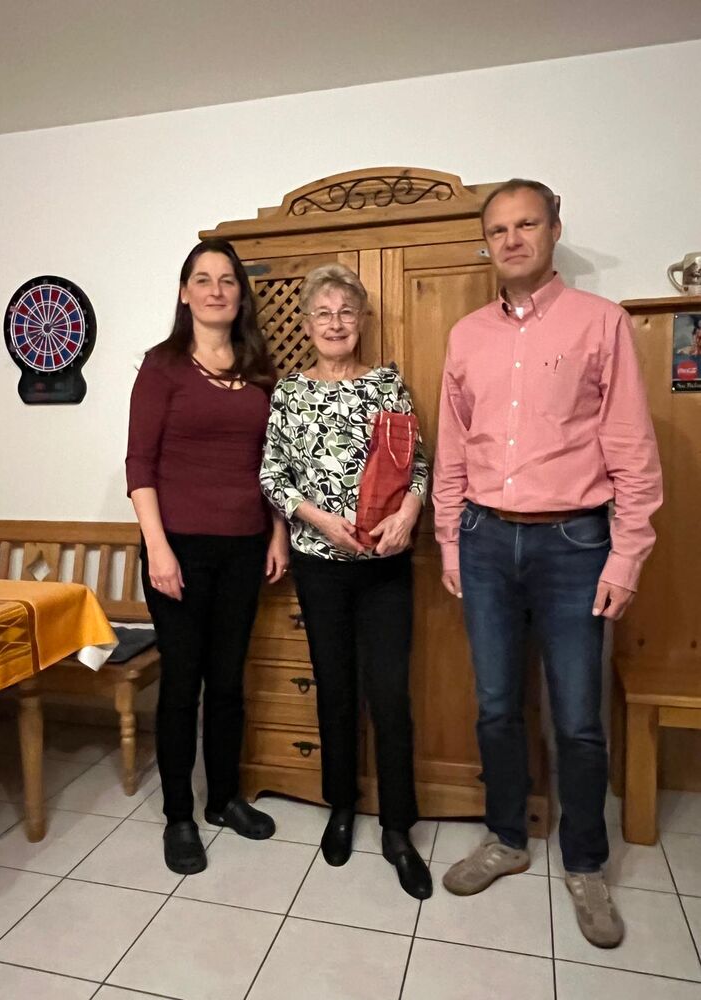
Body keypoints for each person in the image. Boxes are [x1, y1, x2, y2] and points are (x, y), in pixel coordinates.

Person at [433, 179, 662, 947]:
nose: (512, 239)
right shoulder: (466, 336)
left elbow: (631, 446)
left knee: (578, 718)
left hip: (575, 545)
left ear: (554, 229)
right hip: (484, 541)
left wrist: (627, 555)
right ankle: (506, 837)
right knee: (496, 704)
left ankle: (587, 863)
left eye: (526, 223)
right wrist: (449, 538)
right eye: (498, 229)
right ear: (487, 244)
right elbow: (454, 448)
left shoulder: (602, 323)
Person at [260, 264, 433, 900]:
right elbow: (273, 476)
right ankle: (341, 807)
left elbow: (418, 466)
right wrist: (319, 521)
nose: (335, 324)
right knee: (334, 691)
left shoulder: (387, 384)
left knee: (389, 696)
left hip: (385, 568)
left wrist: (409, 514)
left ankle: (397, 828)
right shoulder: (288, 393)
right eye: (323, 313)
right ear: (307, 324)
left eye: (346, 312)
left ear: (362, 321)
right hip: (320, 565)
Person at [126, 238, 289, 875]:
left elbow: (270, 463)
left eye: (227, 279)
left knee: (226, 682)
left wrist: (276, 533)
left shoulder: (258, 367)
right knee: (182, 685)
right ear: (184, 292)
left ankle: (222, 800)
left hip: (244, 546)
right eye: (203, 278)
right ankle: (179, 817)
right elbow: (140, 464)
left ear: (240, 294)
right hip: (179, 549)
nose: (216, 289)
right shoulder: (162, 365)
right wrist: (159, 550)